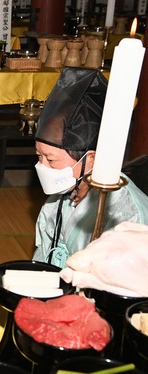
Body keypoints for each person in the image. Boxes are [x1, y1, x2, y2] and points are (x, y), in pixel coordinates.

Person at [32, 67, 148, 268]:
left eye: (51, 160)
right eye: (39, 156)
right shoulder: (62, 194)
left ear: (92, 159)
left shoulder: (125, 213)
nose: (42, 167)